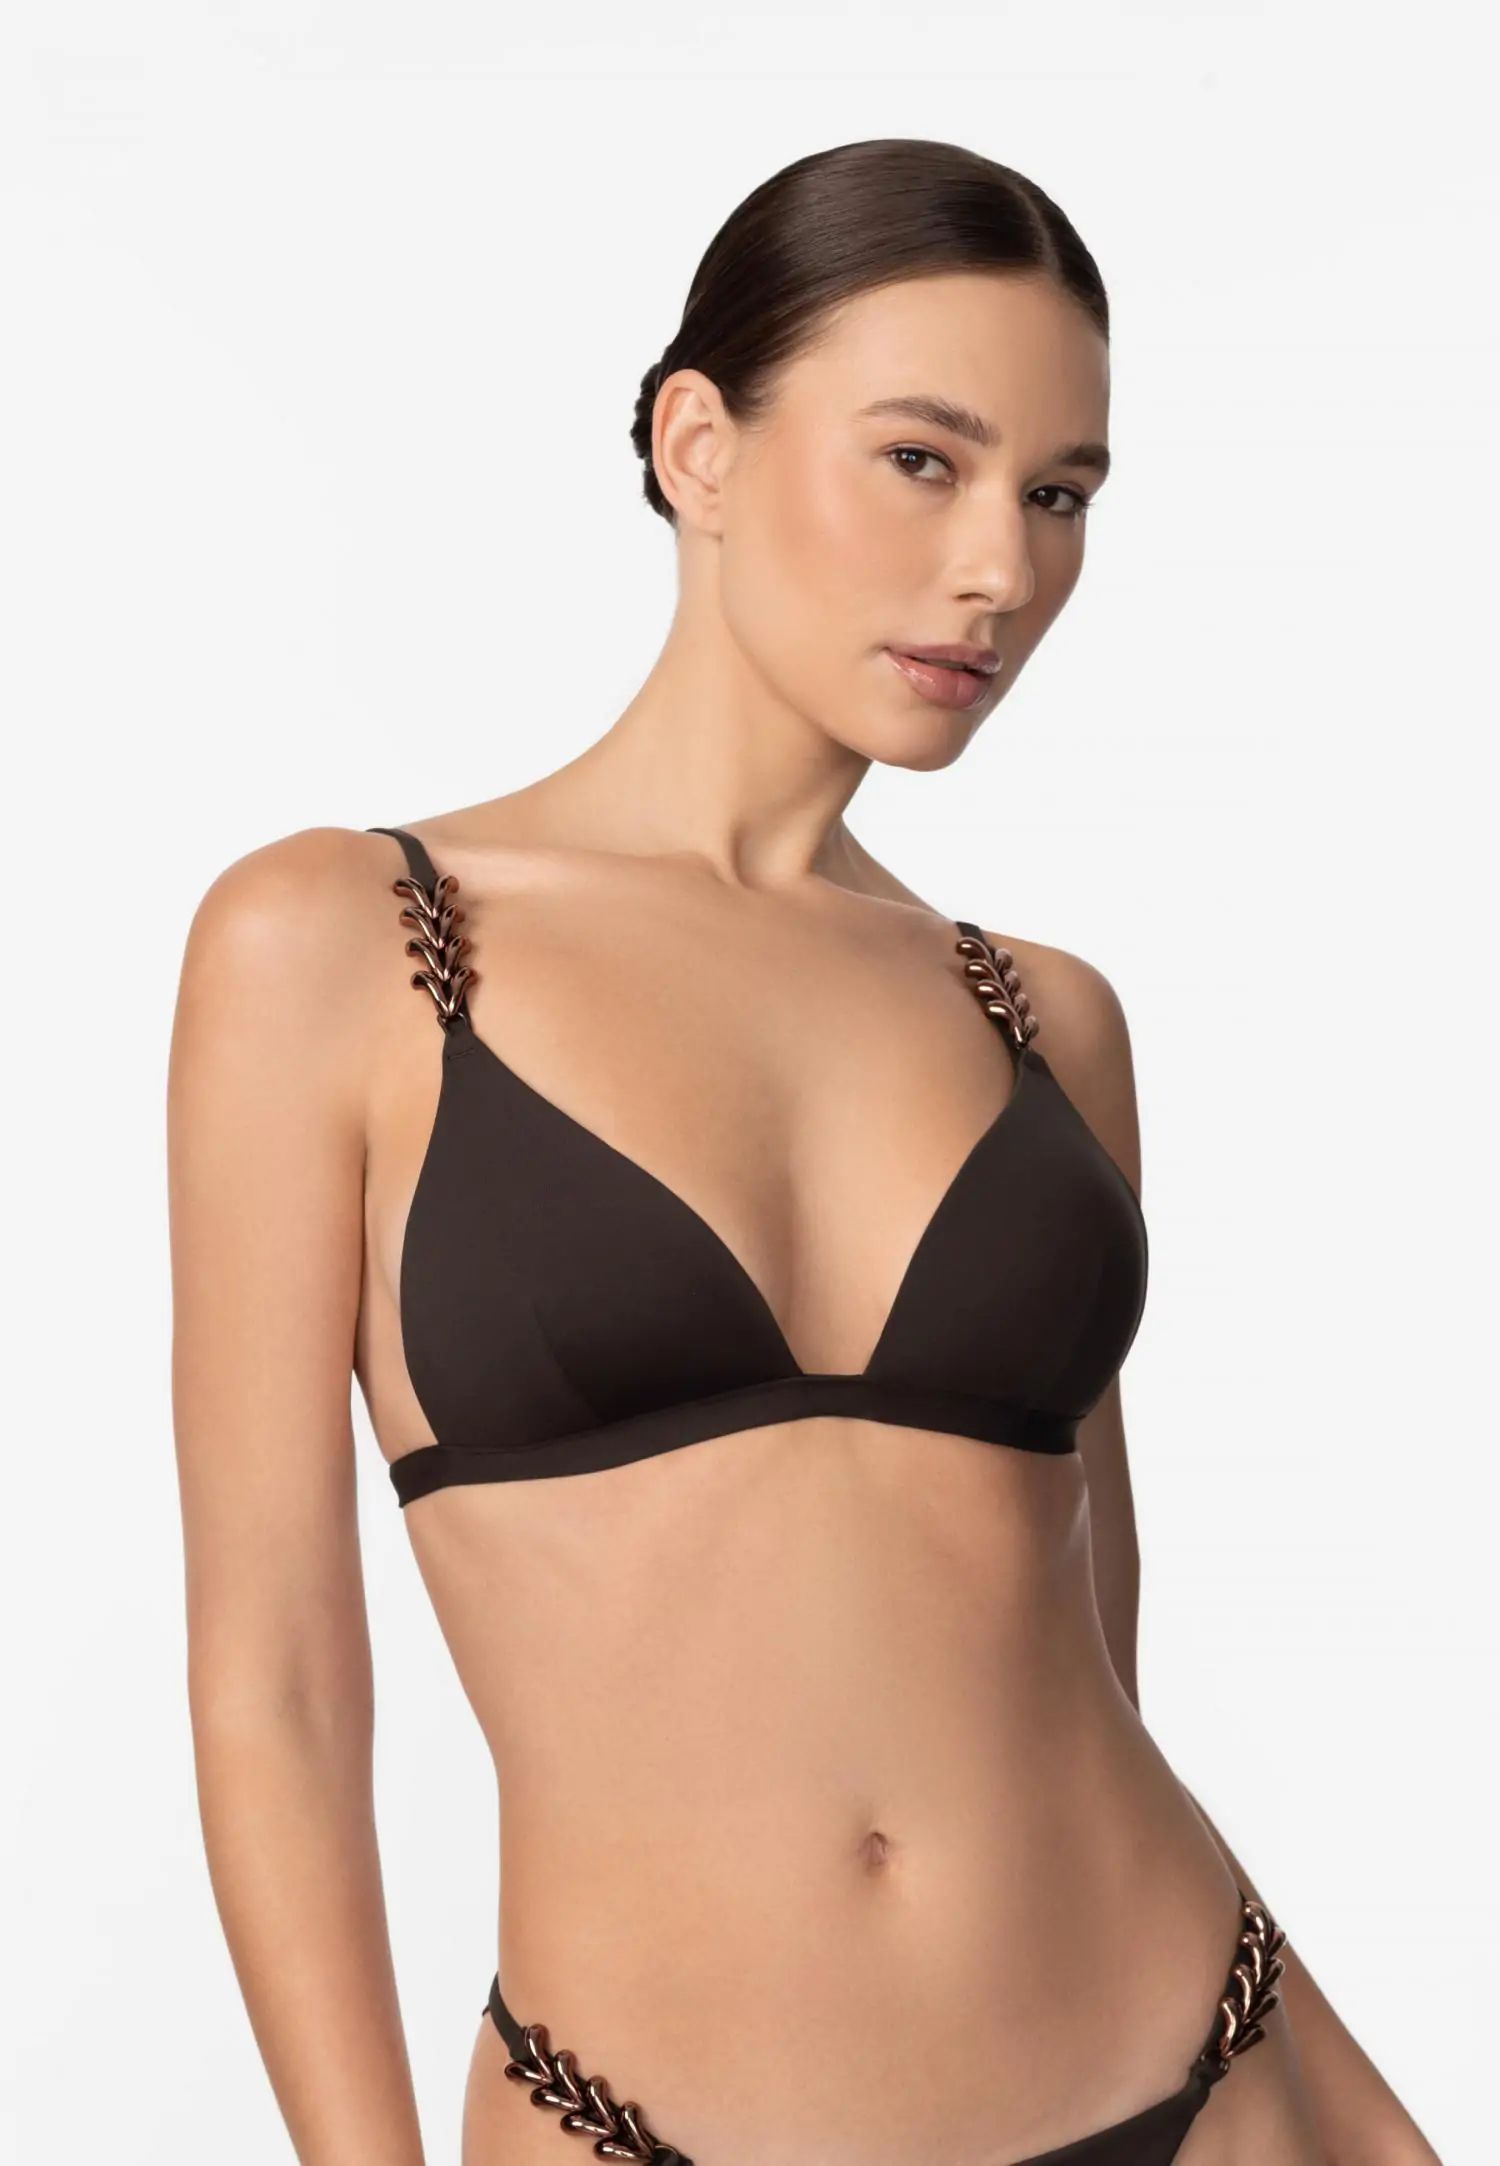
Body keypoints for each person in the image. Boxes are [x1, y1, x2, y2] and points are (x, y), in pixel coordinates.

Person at [168, 138, 1439, 2166]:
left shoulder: (1044, 1016)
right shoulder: (347, 942)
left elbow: (1085, 1615)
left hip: (1204, 2074)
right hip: (640, 2121)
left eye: (1061, 494)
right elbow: (278, 1683)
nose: (1001, 568)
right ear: (700, 446)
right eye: (924, 460)